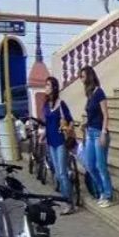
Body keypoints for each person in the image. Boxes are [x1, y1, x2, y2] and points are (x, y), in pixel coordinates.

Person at [79, 66, 114, 207]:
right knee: (89, 164)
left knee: (101, 165)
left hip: (99, 132)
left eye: (82, 76)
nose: (81, 79)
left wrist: (104, 133)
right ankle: (101, 191)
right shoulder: (90, 95)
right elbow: (92, 115)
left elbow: (105, 115)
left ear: (89, 76)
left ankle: (108, 195)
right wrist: (85, 124)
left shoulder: (99, 92)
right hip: (90, 132)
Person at [42, 78, 75, 213]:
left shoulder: (61, 104)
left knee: (61, 173)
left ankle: (69, 204)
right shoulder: (45, 105)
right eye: (46, 85)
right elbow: (47, 124)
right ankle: (65, 198)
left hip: (61, 141)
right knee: (57, 172)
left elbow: (70, 121)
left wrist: (66, 129)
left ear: (54, 88)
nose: (46, 87)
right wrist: (42, 136)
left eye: (48, 85)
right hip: (50, 142)